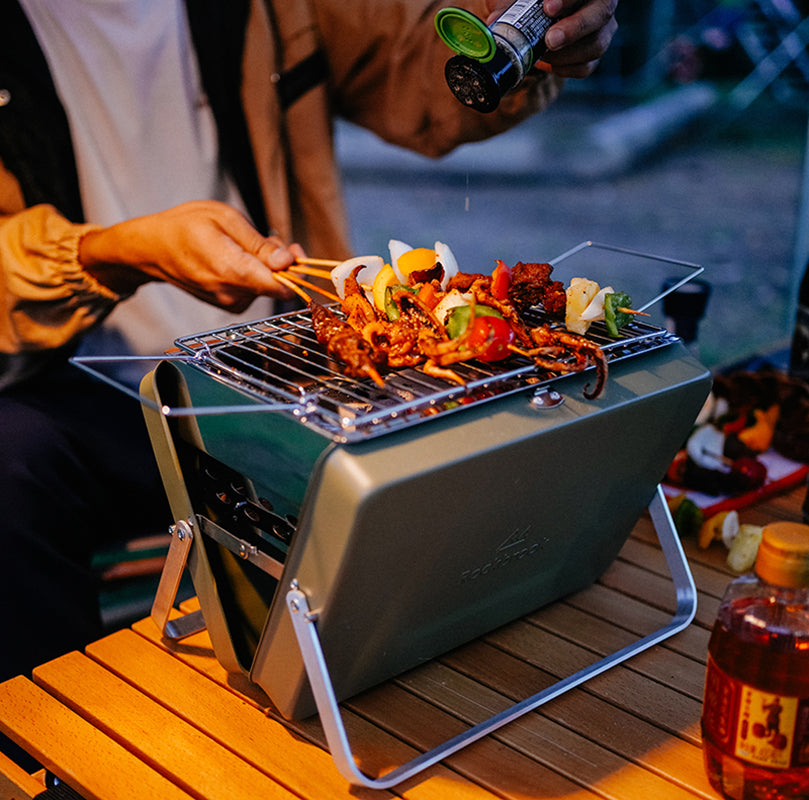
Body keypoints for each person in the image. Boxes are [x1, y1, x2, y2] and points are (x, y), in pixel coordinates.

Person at [0, 0, 619, 685]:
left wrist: (517, 39)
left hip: (286, 366)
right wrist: (106, 253)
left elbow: (419, 72)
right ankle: (56, 745)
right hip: (86, 391)